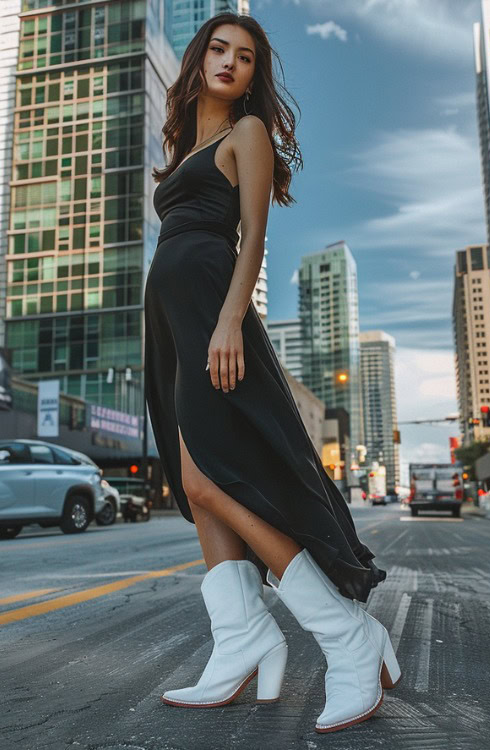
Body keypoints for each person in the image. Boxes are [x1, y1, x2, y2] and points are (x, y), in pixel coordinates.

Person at [145, 11, 401, 734]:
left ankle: (346, 639)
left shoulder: (245, 135)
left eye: (247, 57)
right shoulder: (190, 142)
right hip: (173, 321)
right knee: (196, 487)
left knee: (212, 479)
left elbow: (253, 234)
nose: (231, 62)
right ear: (199, 61)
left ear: (255, 76)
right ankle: (240, 640)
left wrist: (229, 320)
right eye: (220, 49)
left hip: (211, 318)